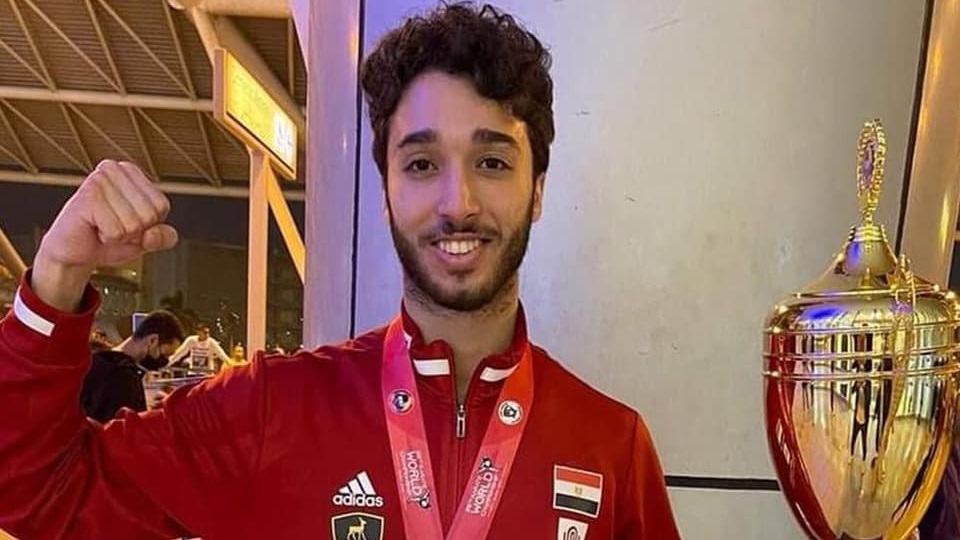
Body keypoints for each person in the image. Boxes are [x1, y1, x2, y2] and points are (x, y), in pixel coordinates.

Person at [0, 3, 680, 539]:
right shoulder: (272, 409)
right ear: (386, 192)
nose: (458, 202)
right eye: (422, 164)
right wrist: (56, 276)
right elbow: (38, 490)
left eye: (493, 162)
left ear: (537, 191)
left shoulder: (610, 448)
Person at [80, 310, 184, 422]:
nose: (164, 362)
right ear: (152, 340)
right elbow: (127, 428)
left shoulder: (97, 360)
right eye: (164, 354)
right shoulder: (125, 378)